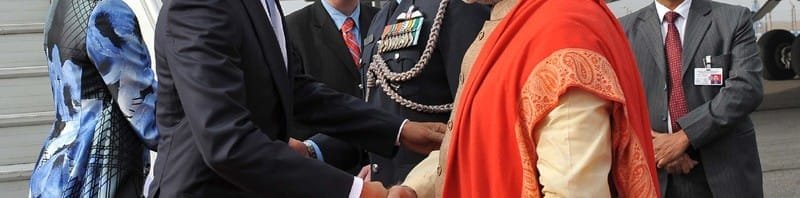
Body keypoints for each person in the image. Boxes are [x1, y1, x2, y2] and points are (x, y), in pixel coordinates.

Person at [148, 0, 446, 197]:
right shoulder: (198, 6)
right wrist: (358, 192)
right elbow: (226, 143)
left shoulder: (262, 6)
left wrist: (399, 130)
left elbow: (298, 90)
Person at [391, 0, 661, 197]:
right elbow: (481, 140)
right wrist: (416, 188)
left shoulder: (562, 31)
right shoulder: (517, 21)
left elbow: (572, 190)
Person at [298, 0, 489, 186]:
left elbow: (480, 119)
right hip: (393, 185)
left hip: (436, 183)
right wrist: (313, 149)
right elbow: (379, 109)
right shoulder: (383, 16)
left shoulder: (456, 7)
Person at [619, 0, 764, 197]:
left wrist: (684, 137)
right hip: (656, 173)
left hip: (725, 171)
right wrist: (657, 148)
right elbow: (619, 101)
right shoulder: (624, 30)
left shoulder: (733, 19)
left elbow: (746, 88)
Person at [31, 0, 159, 197]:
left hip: (54, 174)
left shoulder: (60, 5)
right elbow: (148, 119)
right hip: (92, 177)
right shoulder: (106, 11)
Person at [285, 0, 380, 173]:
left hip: (388, 165)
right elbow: (299, 109)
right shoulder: (291, 30)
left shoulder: (383, 19)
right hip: (329, 171)